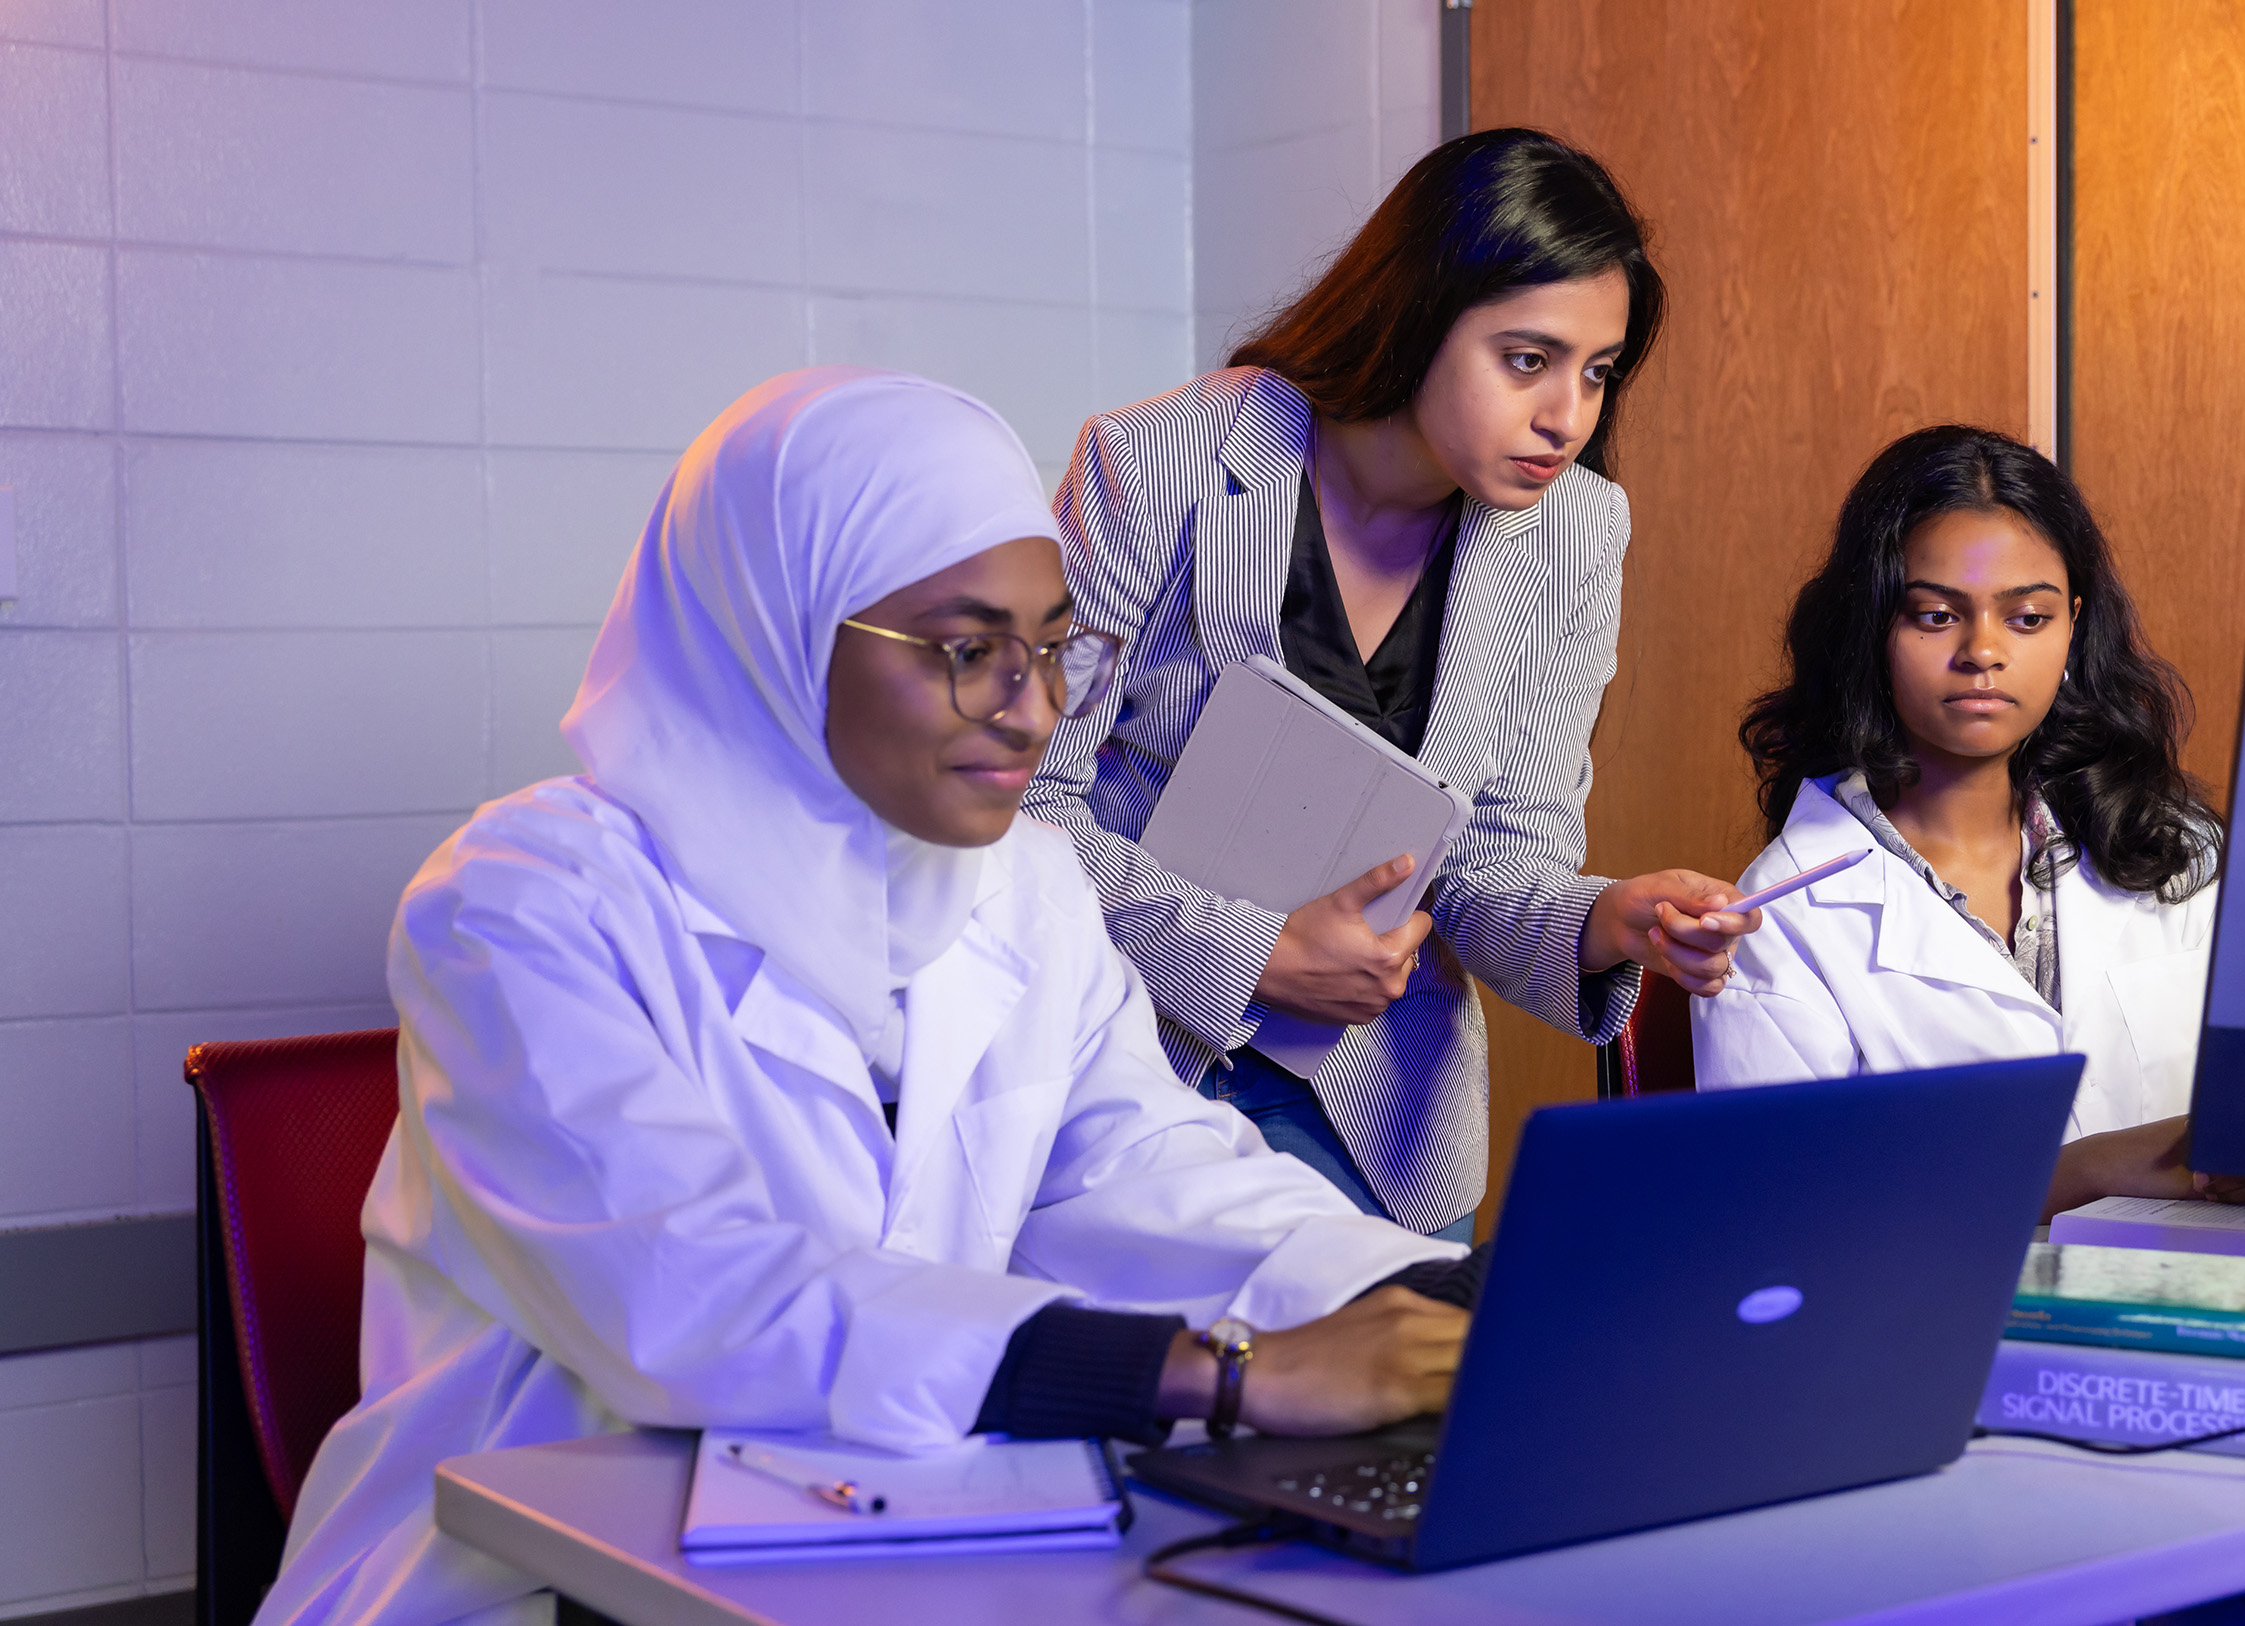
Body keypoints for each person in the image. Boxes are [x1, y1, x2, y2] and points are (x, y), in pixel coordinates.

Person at [257, 370, 1478, 1626]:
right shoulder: (523, 906)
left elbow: (1148, 1172)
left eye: (1056, 645)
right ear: (780, 629)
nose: (1035, 710)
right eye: (968, 652)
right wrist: (1227, 1376)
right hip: (539, 1577)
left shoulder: (1023, 886)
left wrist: (1453, 1301)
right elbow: (700, 1295)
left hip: (889, 1538)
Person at [1032, 128, 1758, 1243]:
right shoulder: (1157, 464)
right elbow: (1024, 814)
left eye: (1597, 372)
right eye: (1528, 360)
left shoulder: (1575, 531)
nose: (1568, 416)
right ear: (1418, 314)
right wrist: (1254, 956)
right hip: (1124, 1063)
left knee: (1407, 1410)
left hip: (1379, 1127)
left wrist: (1605, 920)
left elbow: (1495, 864)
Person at [1692, 425, 2245, 1214]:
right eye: (1934, 616)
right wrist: (2089, 1169)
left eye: (2026, 618)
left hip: (2211, 1292)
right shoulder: (1781, 916)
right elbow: (1784, 1214)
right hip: (1947, 1331)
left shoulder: (2174, 846)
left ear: (2072, 629)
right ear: (1870, 629)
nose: (1983, 651)